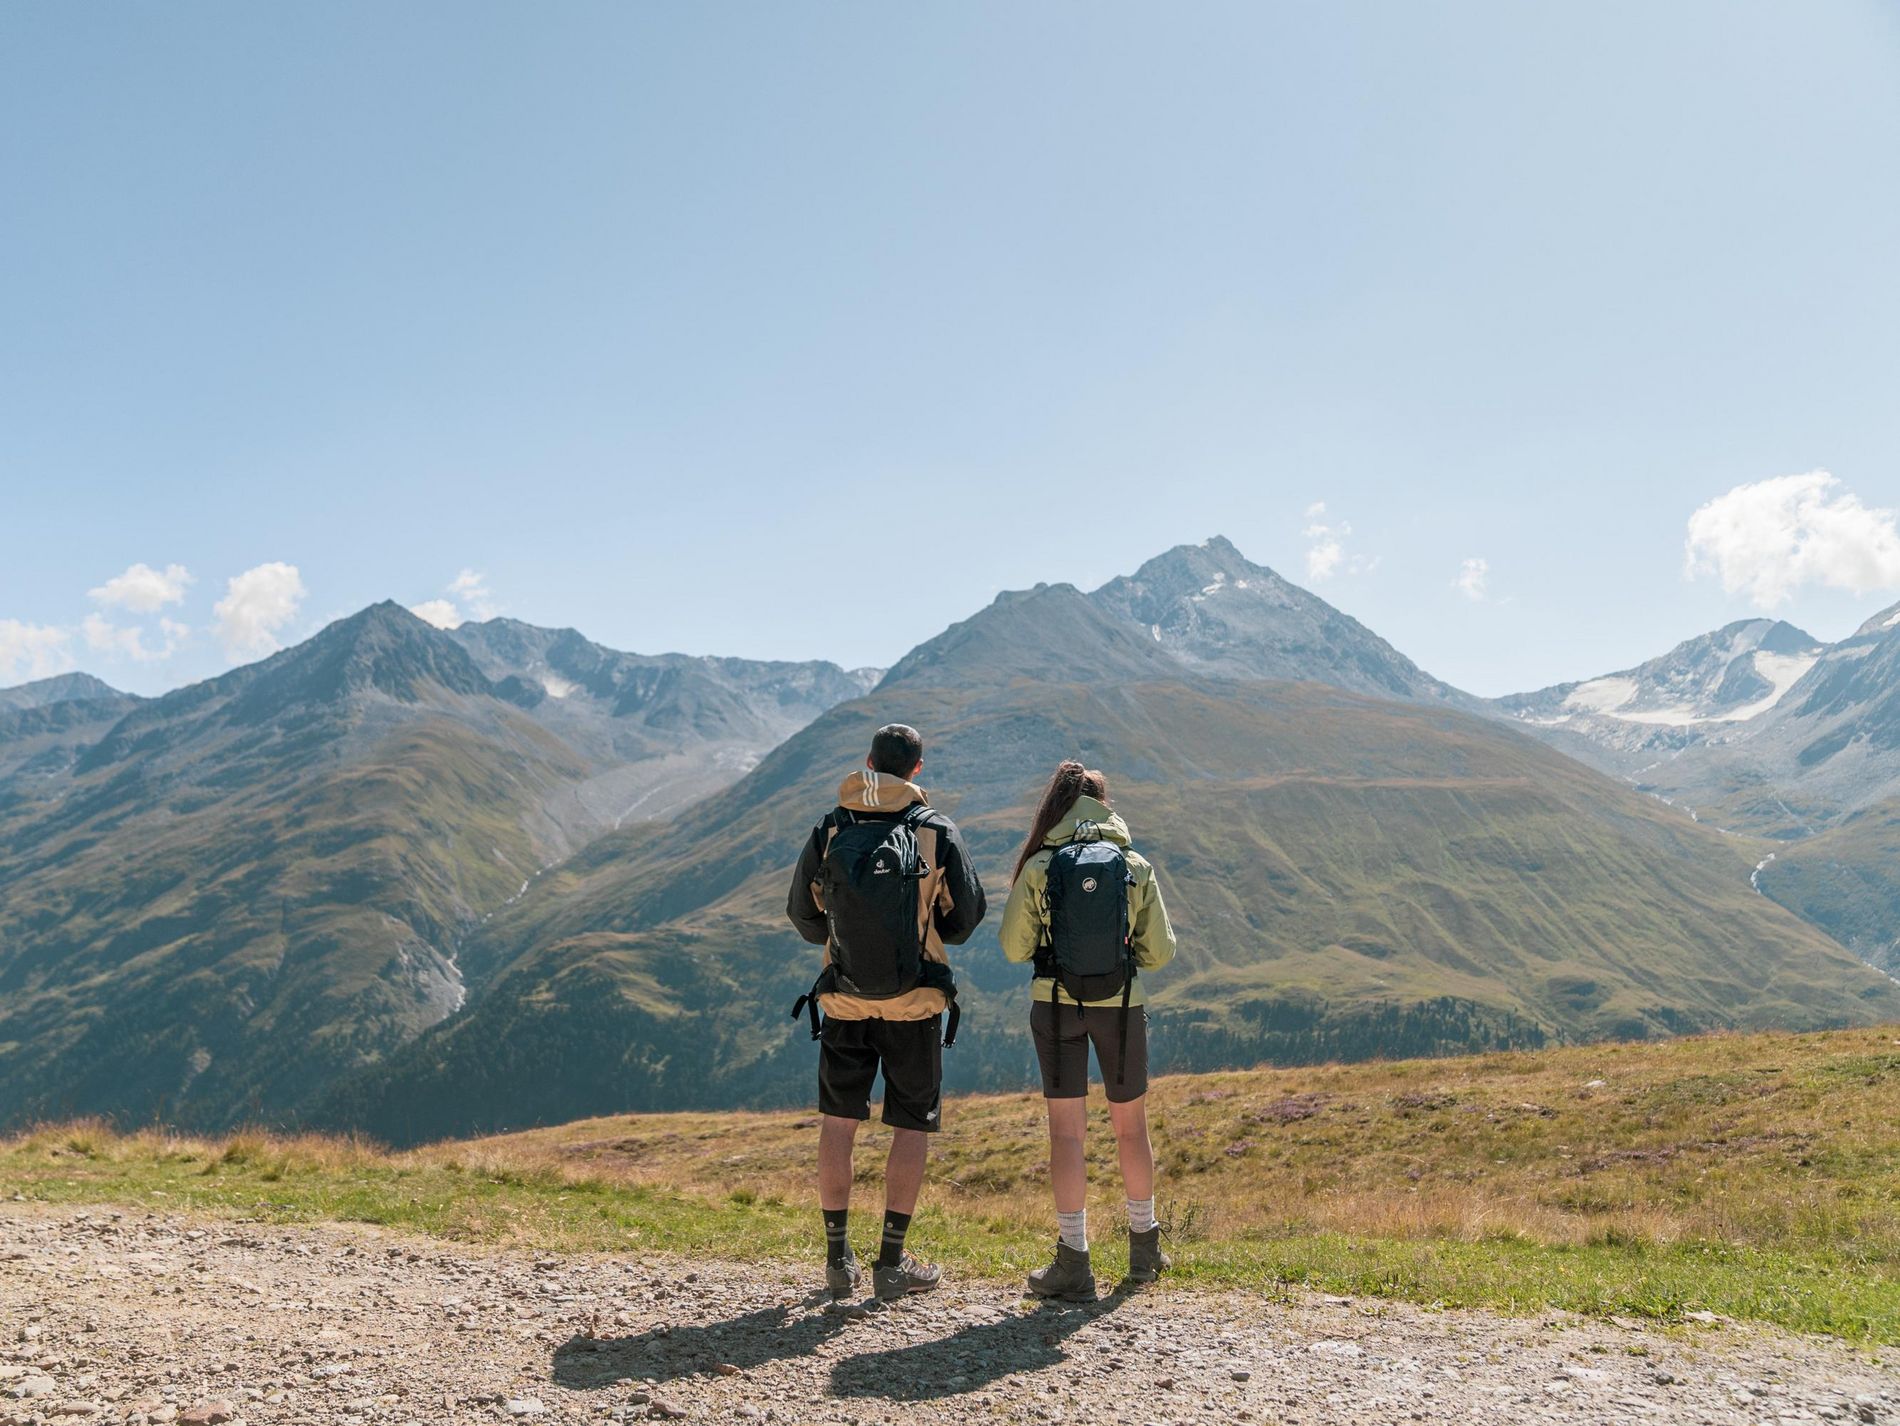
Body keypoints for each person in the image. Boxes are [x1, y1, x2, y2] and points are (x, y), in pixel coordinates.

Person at [786, 723, 987, 1302]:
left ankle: (835, 1259)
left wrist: (844, 940)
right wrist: (923, 937)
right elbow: (966, 916)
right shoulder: (935, 830)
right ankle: (890, 1264)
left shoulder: (831, 827)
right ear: (916, 770)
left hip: (844, 999)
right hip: (915, 1002)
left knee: (839, 1124)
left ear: (869, 763)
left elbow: (802, 914)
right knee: (911, 1127)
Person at [999, 760, 1177, 1300]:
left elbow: (1013, 949)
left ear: (1055, 807)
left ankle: (1074, 1262)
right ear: (1104, 804)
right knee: (1131, 1129)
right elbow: (1161, 952)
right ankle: (1144, 1250)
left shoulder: (1039, 866)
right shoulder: (1133, 864)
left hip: (1055, 1008)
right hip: (1121, 1007)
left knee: (1068, 1135)